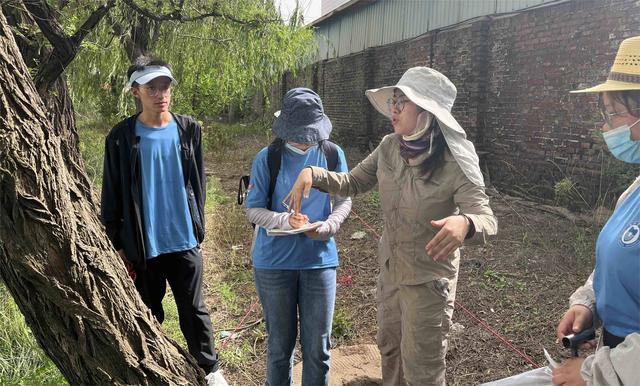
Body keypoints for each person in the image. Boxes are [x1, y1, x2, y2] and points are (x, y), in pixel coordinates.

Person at [285, 67, 498, 386]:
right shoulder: (389, 147)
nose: (393, 109)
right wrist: (314, 174)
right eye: (393, 101)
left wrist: (465, 223)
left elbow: (486, 218)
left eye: (403, 102)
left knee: (422, 367)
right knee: (390, 350)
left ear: (427, 112)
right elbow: (354, 181)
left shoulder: (453, 162)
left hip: (428, 282)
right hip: (391, 272)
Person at [100, 55, 228, 386]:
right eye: (152, 88)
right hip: (144, 244)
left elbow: (197, 183)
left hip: (183, 238)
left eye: (165, 86)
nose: (161, 94)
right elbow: (112, 193)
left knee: (194, 311)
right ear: (135, 92)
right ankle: (153, 368)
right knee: (148, 312)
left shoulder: (189, 130)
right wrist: (118, 243)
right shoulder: (120, 137)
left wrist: (198, 224)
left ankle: (210, 371)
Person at [244, 87, 352, 386]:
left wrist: (329, 225)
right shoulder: (268, 158)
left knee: (319, 348)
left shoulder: (331, 153)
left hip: (319, 261)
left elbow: (344, 199)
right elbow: (253, 210)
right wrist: (286, 221)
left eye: (308, 134)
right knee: (280, 347)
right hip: (274, 264)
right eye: (296, 133)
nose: (303, 140)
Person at [553, 36, 640, 386]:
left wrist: (595, 372)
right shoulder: (633, 191)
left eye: (612, 113)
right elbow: (616, 260)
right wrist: (589, 303)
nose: (605, 126)